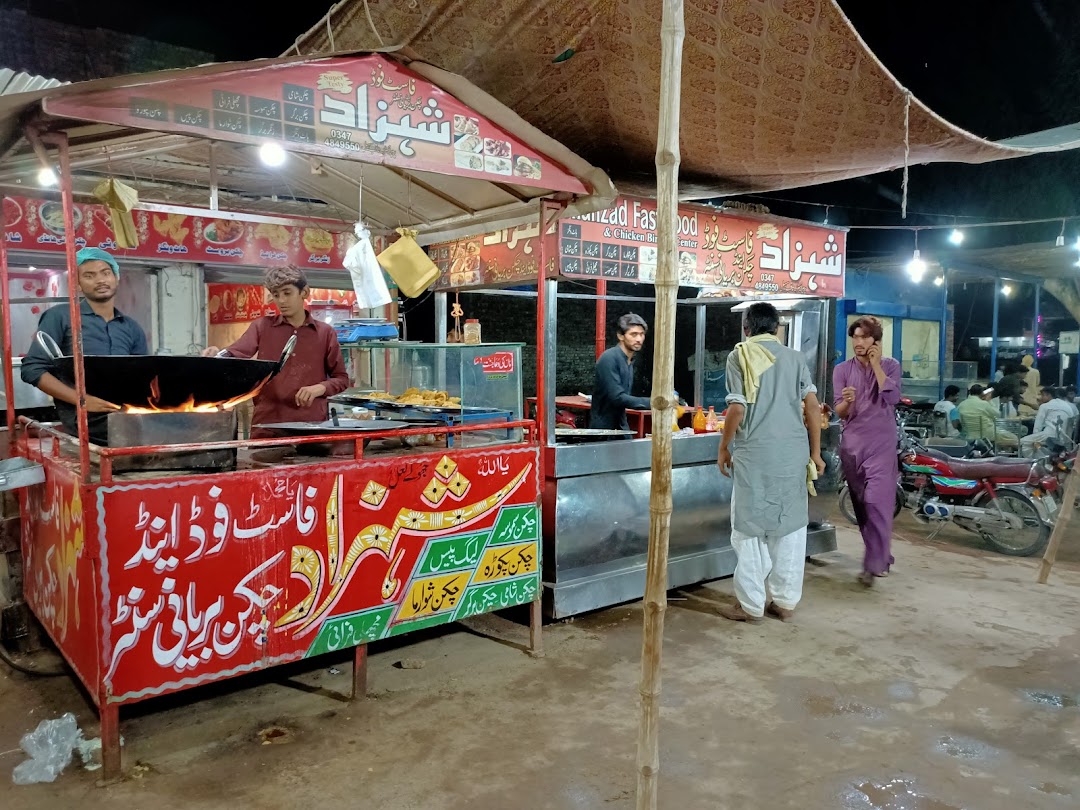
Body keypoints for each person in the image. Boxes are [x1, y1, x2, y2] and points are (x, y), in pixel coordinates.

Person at [716, 303, 824, 623]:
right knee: (789, 527)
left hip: (756, 455)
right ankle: (785, 602)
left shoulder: (740, 355)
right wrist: (815, 453)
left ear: (746, 328)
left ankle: (750, 605)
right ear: (777, 328)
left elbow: (737, 409)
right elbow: (813, 408)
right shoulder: (795, 358)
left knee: (748, 529)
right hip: (792, 455)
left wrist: (724, 447)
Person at [20, 247, 148, 445]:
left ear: (116, 278)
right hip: (84, 421)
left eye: (106, 273)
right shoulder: (61, 317)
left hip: (125, 415)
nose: (100, 280)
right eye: (89, 275)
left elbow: (142, 376)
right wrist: (83, 401)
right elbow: (32, 369)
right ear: (78, 285)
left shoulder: (132, 327)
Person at [203, 266, 349, 435]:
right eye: (276, 294)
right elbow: (235, 354)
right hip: (268, 425)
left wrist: (319, 388)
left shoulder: (325, 333)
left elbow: (341, 379)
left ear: (304, 292)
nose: (281, 300)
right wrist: (216, 355)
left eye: (287, 293)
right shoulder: (262, 327)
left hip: (311, 425)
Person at [833, 316, 902, 587]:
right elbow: (839, 411)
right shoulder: (842, 370)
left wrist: (875, 365)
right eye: (855, 337)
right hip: (852, 446)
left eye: (864, 337)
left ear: (876, 340)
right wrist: (847, 403)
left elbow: (893, 398)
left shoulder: (891, 366)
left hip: (881, 444)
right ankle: (881, 555)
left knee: (878, 502)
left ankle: (873, 564)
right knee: (862, 505)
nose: (858, 342)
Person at [591, 313, 651, 431]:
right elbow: (617, 397)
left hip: (620, 426)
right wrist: (654, 402)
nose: (639, 339)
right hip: (603, 431)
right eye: (633, 334)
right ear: (620, 336)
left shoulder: (629, 360)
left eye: (641, 334)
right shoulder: (609, 358)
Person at [958, 384, 1018, 449]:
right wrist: (989, 400)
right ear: (982, 394)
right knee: (1014, 438)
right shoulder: (984, 404)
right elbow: (997, 415)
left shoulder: (961, 404)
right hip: (987, 434)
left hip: (969, 435)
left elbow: (959, 420)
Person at [1020, 386, 1076, 457]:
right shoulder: (1067, 406)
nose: (1041, 398)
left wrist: (1035, 439)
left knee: (1022, 442)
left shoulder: (1045, 406)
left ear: (1048, 395)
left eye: (1042, 395)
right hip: (1065, 438)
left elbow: (1037, 427)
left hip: (1049, 436)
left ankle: (1033, 462)